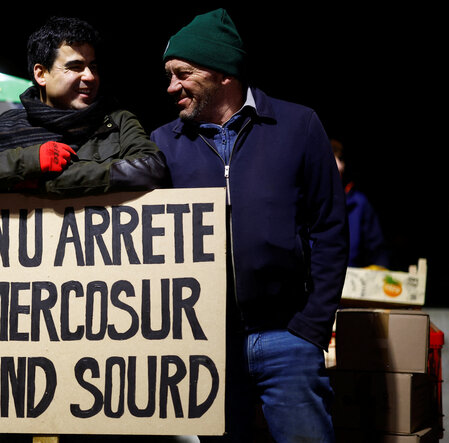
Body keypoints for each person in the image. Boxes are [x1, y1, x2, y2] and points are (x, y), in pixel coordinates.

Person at [151, 9, 348, 442]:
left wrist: (312, 327)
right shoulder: (164, 142)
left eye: (182, 73)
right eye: (169, 75)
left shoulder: (298, 125)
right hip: (208, 347)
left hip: (287, 336)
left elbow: (330, 230)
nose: (171, 87)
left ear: (223, 72)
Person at [0, 16, 168, 198]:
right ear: (41, 74)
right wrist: (29, 161)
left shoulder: (116, 121)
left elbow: (150, 169)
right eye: (75, 67)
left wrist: (48, 184)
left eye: (92, 66)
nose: (90, 77)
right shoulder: (7, 128)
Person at [332, 139, 390, 268]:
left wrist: (379, 268)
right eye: (332, 158)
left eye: (340, 159)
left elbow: (378, 250)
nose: (339, 166)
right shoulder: (305, 200)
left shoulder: (359, 203)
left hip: (351, 280)